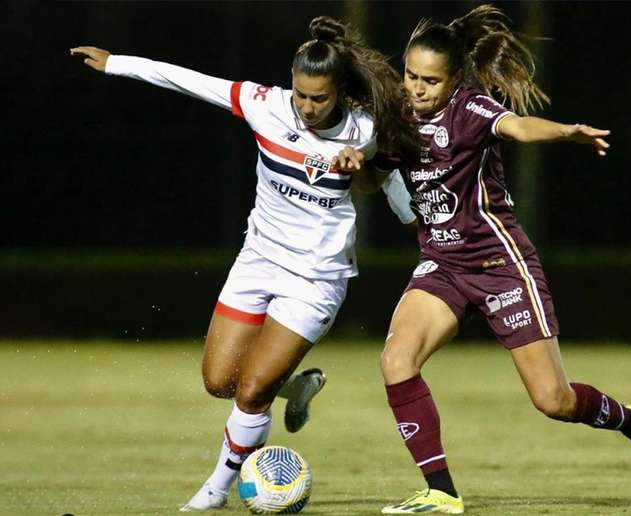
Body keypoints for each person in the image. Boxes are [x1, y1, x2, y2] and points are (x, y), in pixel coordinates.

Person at [71, 15, 418, 512]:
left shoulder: (362, 130)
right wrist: (119, 64)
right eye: (301, 94)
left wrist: (369, 173)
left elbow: (378, 168)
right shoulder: (266, 105)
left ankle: (215, 490)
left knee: (251, 391)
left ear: (340, 91)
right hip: (258, 259)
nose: (307, 107)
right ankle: (295, 386)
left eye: (319, 98)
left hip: (315, 278)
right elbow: (191, 81)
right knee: (219, 382)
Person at [357, 6, 631, 514]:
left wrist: (566, 132)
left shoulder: (470, 108)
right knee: (396, 361)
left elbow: (518, 127)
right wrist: (353, 162)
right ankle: (441, 492)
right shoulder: (398, 115)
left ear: (454, 79)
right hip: (442, 266)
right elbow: (370, 177)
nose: (416, 89)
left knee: (554, 401)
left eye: (430, 81)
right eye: (411, 76)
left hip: (499, 266)